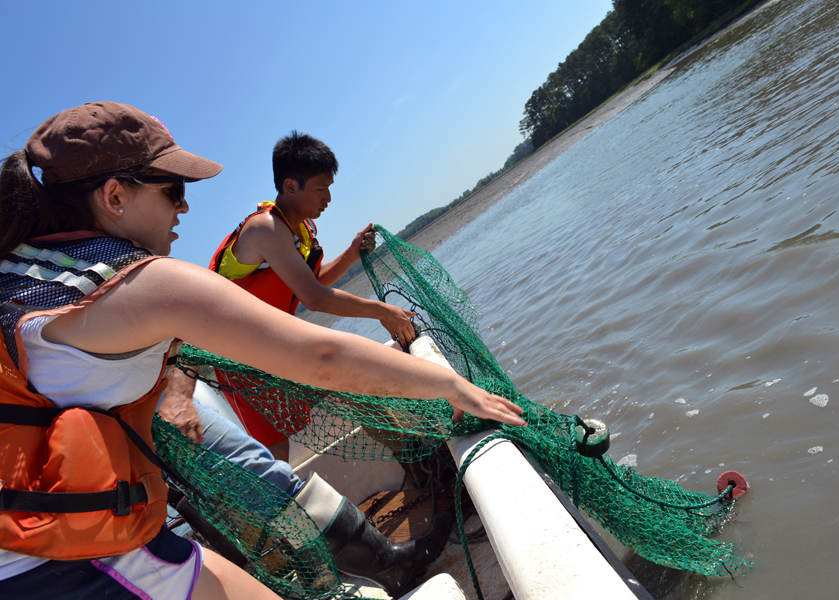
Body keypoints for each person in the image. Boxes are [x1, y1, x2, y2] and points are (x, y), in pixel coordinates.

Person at [0, 101, 526, 600]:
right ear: (115, 196)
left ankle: (371, 561)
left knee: (259, 486)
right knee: (265, 476)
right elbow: (321, 354)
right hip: (43, 552)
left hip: (41, 518)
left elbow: (301, 292)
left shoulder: (32, 270)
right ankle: (372, 563)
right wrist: (453, 386)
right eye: (173, 189)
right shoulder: (145, 282)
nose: (185, 206)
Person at [206, 132, 416, 460]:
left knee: (349, 383)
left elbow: (312, 282)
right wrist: (383, 311)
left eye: (329, 188)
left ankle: (414, 463)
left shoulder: (298, 231)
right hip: (239, 358)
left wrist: (350, 253)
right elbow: (315, 297)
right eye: (321, 188)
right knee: (276, 448)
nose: (328, 198)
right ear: (291, 186)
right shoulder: (266, 228)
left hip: (273, 340)